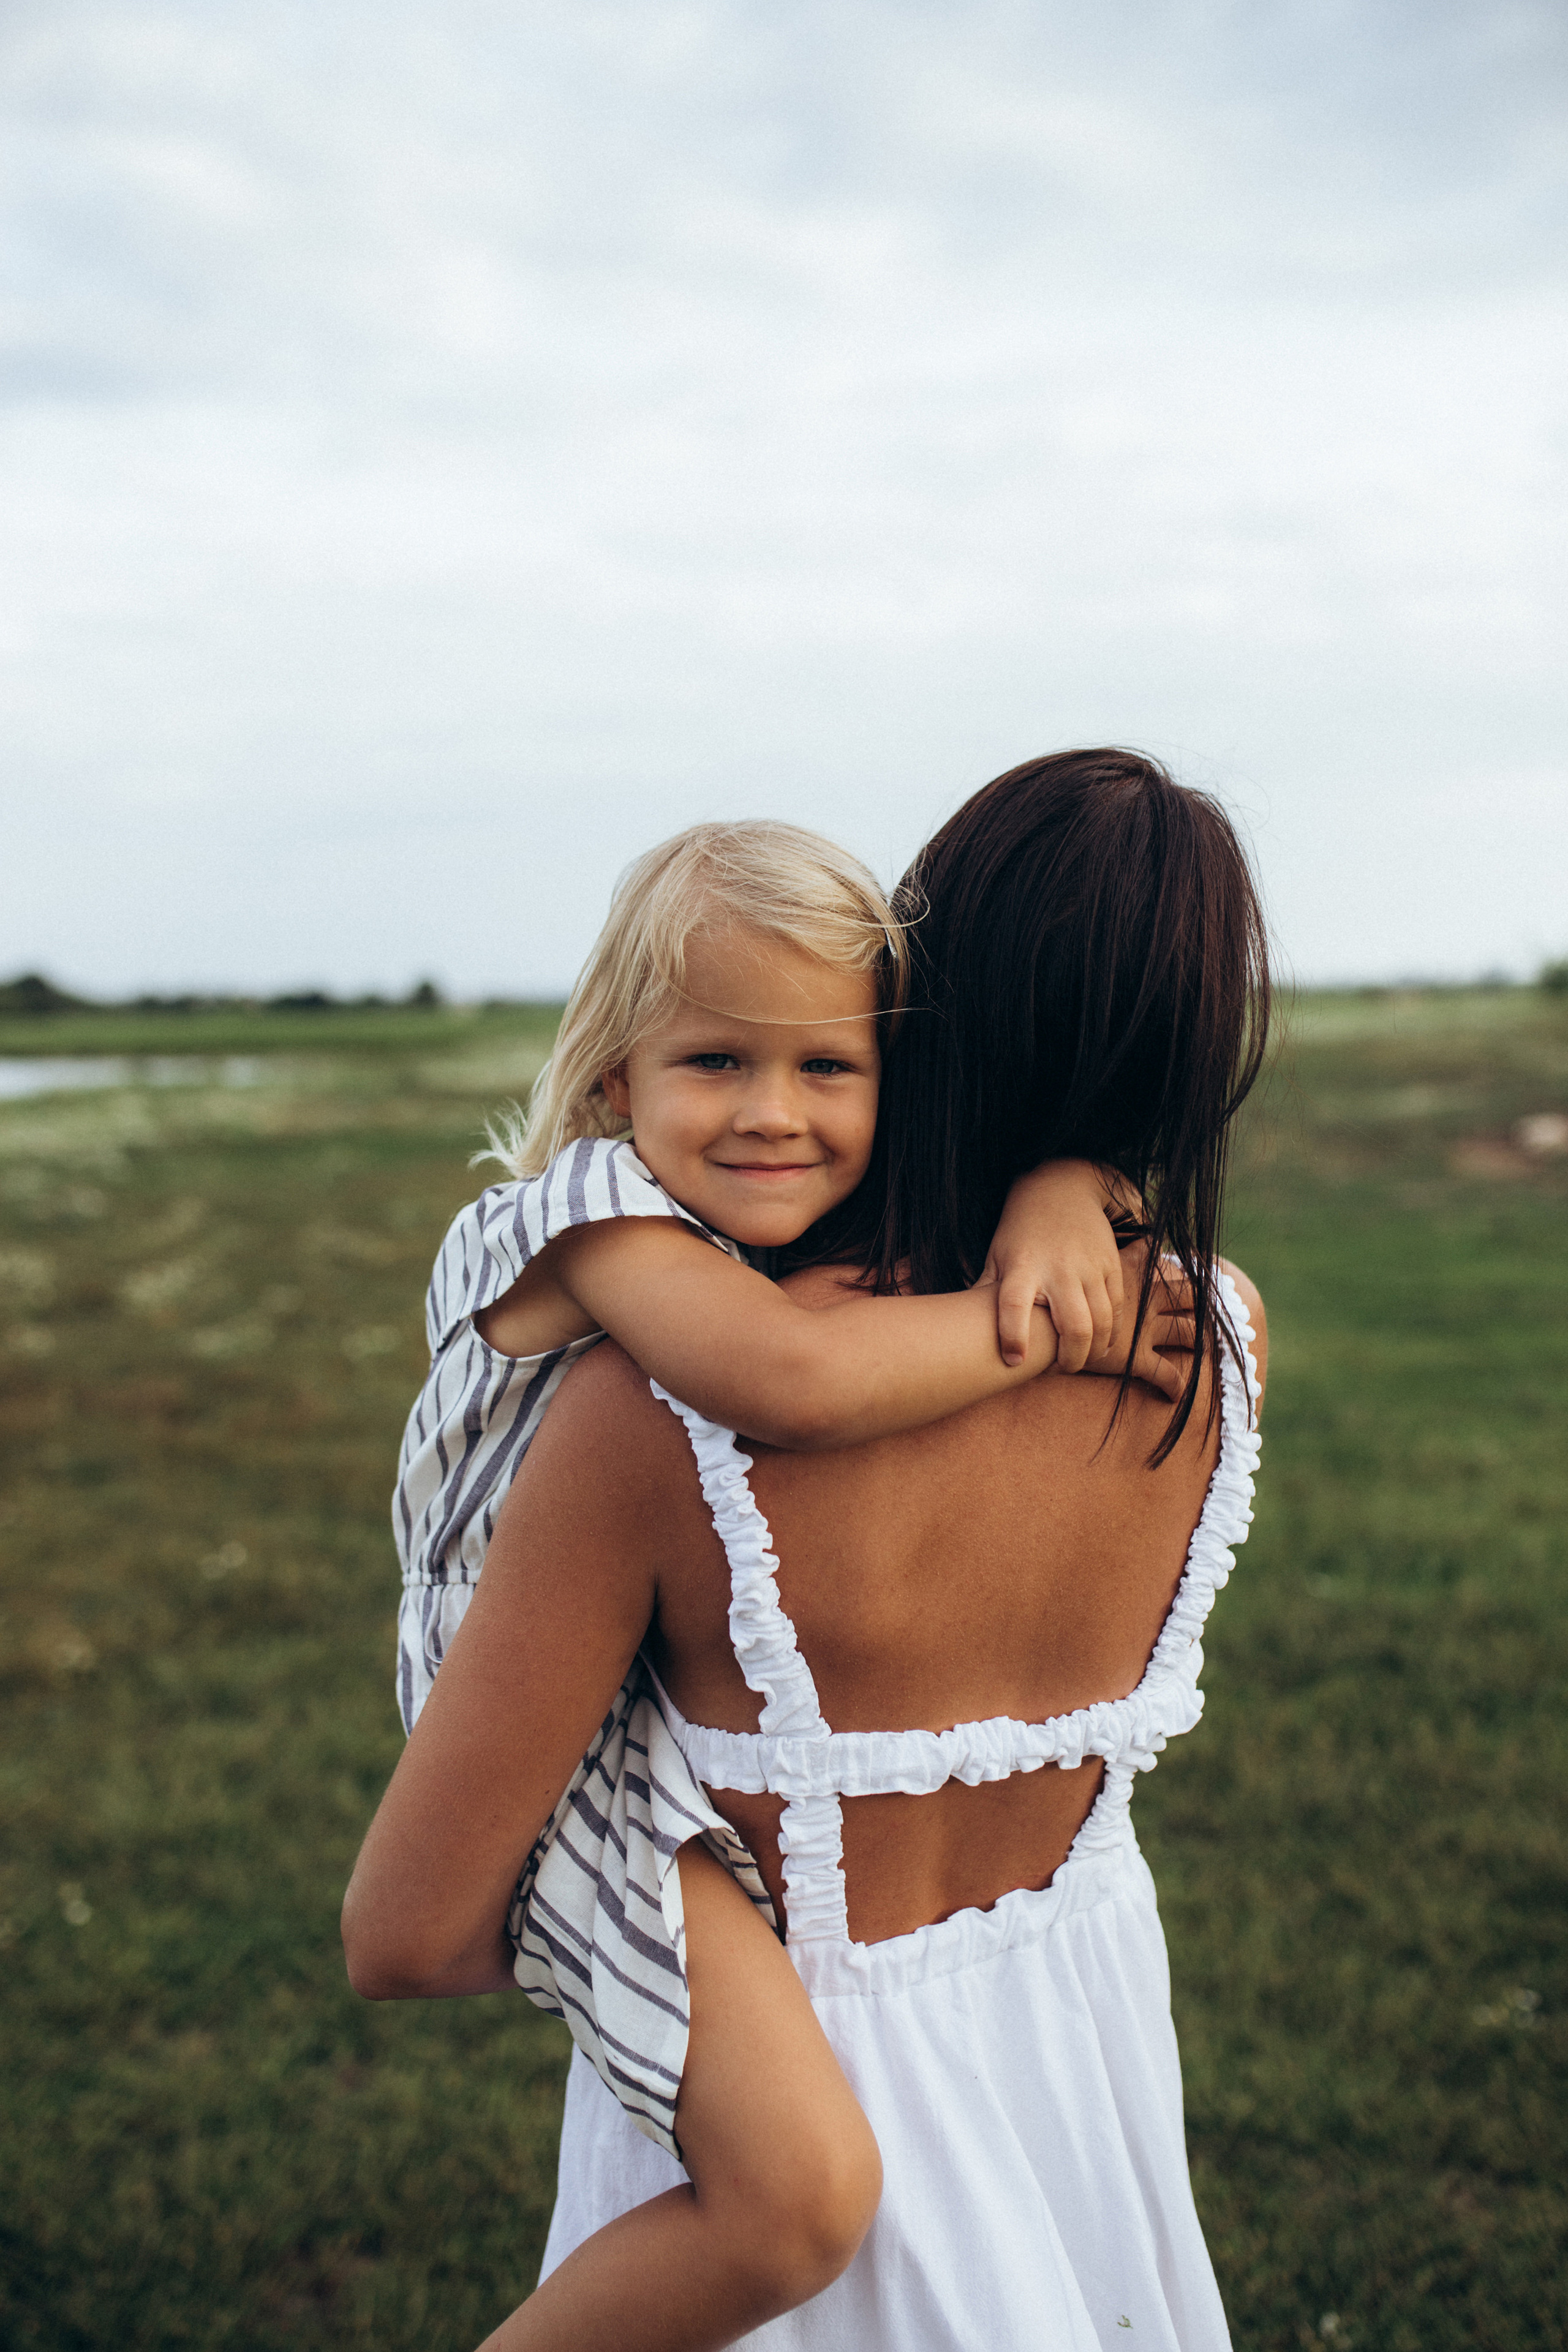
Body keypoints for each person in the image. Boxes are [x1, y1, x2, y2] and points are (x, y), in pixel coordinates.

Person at [346, 748, 1270, 2349]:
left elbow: (416, 1929)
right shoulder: (1212, 1336)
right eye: (720, 1057)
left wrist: (1051, 1203)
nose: (776, 1106)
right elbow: (803, 1377)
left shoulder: (656, 1423)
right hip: (1070, 2066)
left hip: (791, 2086)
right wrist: (1067, 1240)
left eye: (826, 1060)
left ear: (913, 1018)